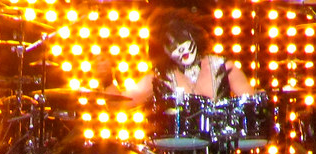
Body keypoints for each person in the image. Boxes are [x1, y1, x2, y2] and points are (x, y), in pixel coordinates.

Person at [97, 7, 254, 107]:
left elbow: (253, 106)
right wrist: (107, 80)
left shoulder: (225, 68)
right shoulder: (160, 77)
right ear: (163, 52)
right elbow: (121, 104)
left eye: (182, 39)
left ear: (193, 36)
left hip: (218, 148)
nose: (180, 48)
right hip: (174, 149)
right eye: (171, 45)